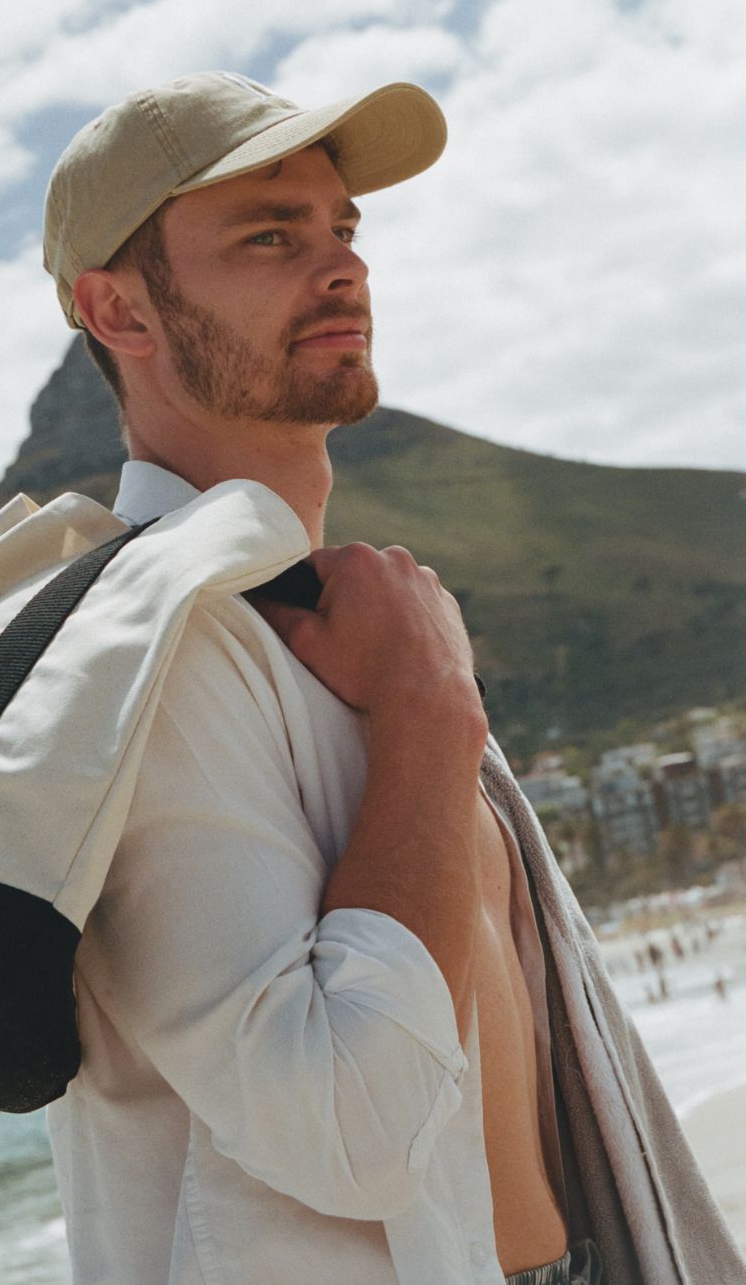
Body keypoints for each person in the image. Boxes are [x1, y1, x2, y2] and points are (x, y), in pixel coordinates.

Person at [40, 72, 743, 1284]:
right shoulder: (152, 654)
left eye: (343, 229)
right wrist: (430, 712)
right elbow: (352, 1133)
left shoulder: (344, 618)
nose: (341, 266)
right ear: (119, 310)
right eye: (271, 234)